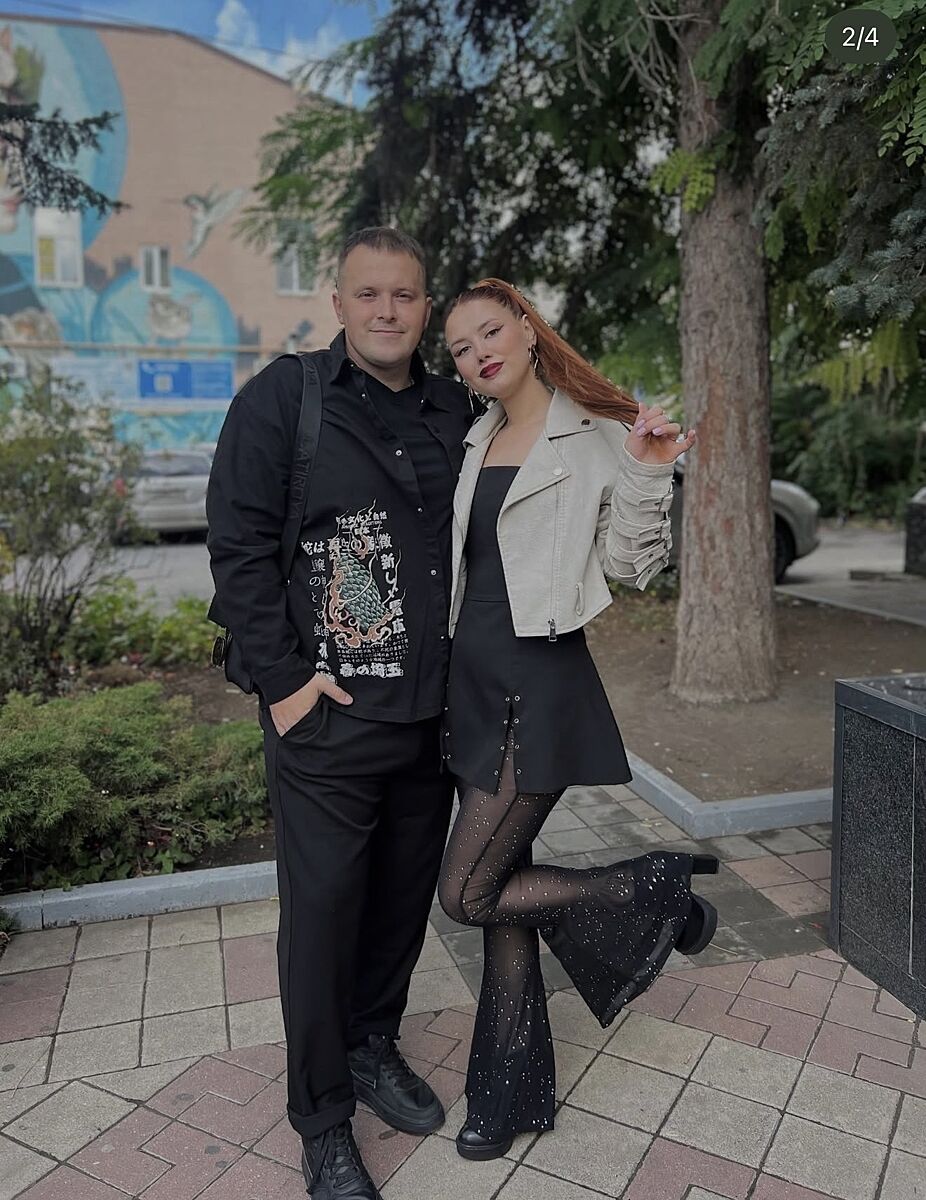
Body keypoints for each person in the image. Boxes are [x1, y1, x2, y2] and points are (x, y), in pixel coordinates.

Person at [206, 228, 476, 1200]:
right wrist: (285, 688)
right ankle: (322, 1122)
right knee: (321, 923)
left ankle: (370, 1047)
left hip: (431, 720)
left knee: (400, 907)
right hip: (326, 722)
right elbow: (237, 549)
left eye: (404, 294)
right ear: (338, 302)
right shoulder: (285, 400)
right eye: (369, 293)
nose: (387, 311)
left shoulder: (457, 408)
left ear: (424, 304)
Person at [437, 278, 719, 1160]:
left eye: (490, 331)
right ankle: (507, 1093)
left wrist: (648, 469)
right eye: (460, 347)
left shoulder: (593, 432)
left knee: (467, 892)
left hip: (538, 684)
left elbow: (632, 566)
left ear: (527, 328)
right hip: (472, 685)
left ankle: (651, 888)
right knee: (504, 895)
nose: (478, 353)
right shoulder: (477, 437)